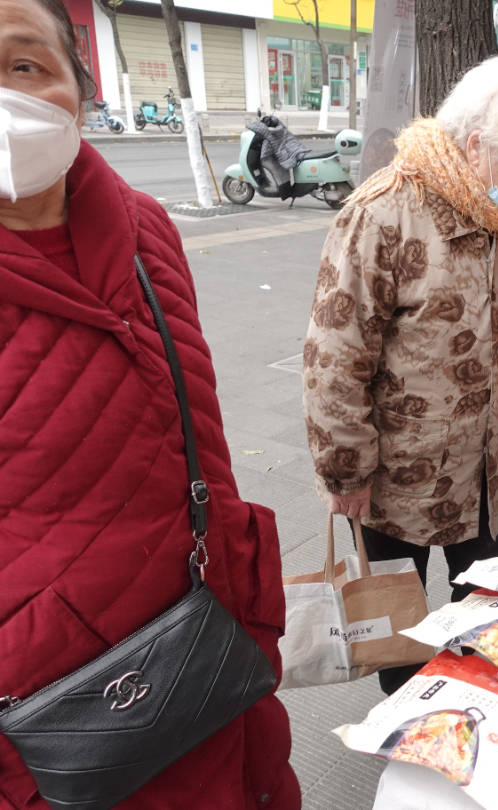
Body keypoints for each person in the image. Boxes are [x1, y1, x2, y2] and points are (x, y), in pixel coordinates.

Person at [0, 1, 300, 807]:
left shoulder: (146, 230)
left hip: (208, 651)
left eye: (23, 65)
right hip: (57, 716)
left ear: (80, 84)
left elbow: (200, 439)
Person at [303, 55, 498, 694]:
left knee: (485, 610)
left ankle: (479, 710)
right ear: (479, 148)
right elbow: (335, 355)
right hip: (397, 483)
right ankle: (412, 733)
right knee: (402, 632)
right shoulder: (383, 213)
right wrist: (344, 471)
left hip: (482, 470)